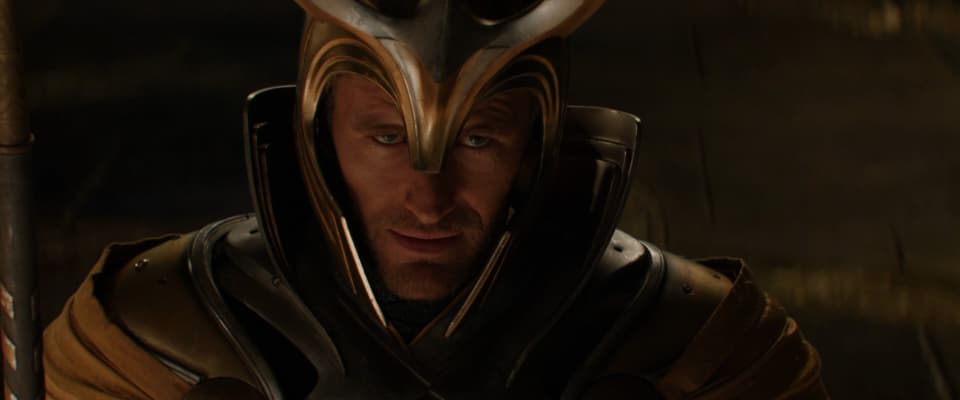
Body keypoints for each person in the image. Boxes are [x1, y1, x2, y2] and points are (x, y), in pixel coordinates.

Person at [43, 0, 828, 398]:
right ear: (317, 131)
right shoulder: (147, 335)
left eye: (479, 139)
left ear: (538, 140)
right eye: (385, 137)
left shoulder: (708, 350)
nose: (428, 198)